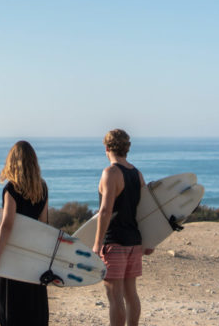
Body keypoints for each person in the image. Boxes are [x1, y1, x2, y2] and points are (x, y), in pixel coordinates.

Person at [0, 140, 49, 326]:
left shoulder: (12, 188)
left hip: (13, 259)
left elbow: (7, 225)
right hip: (33, 258)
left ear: (12, 162)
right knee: (35, 312)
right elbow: (43, 226)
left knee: (13, 312)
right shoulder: (42, 188)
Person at [92, 129, 153, 326]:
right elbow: (145, 212)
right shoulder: (137, 174)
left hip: (114, 242)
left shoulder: (110, 173)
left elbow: (104, 212)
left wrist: (97, 244)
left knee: (115, 296)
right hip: (134, 242)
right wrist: (150, 240)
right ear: (127, 148)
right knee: (131, 294)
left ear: (107, 148)